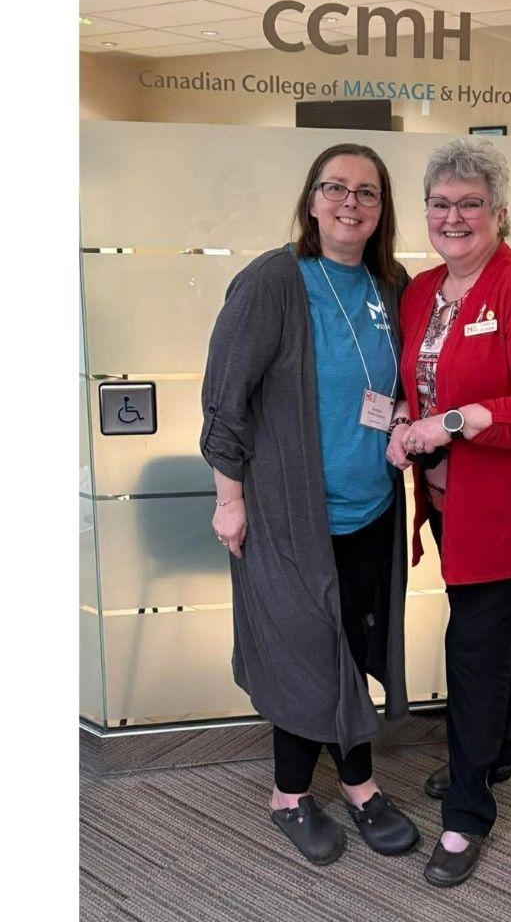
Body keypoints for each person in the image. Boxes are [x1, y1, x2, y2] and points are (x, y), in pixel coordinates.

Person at [200, 143, 420, 866]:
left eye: (366, 192)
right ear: (311, 200)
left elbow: (406, 385)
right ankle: (293, 794)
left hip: (371, 512)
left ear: (382, 209)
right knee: (305, 655)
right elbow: (225, 400)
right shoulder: (273, 281)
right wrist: (229, 501)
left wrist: (408, 425)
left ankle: (353, 783)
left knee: (350, 645)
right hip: (289, 518)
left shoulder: (391, 284)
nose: (350, 203)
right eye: (335, 188)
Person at [384, 137, 511, 888]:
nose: (453, 217)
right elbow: (417, 382)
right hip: (445, 505)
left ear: (499, 212)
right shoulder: (422, 291)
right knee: (487, 644)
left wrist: (456, 422)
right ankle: (495, 754)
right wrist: (408, 415)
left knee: (470, 650)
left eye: (470, 204)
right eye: (440, 204)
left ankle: (467, 815)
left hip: (506, 511)